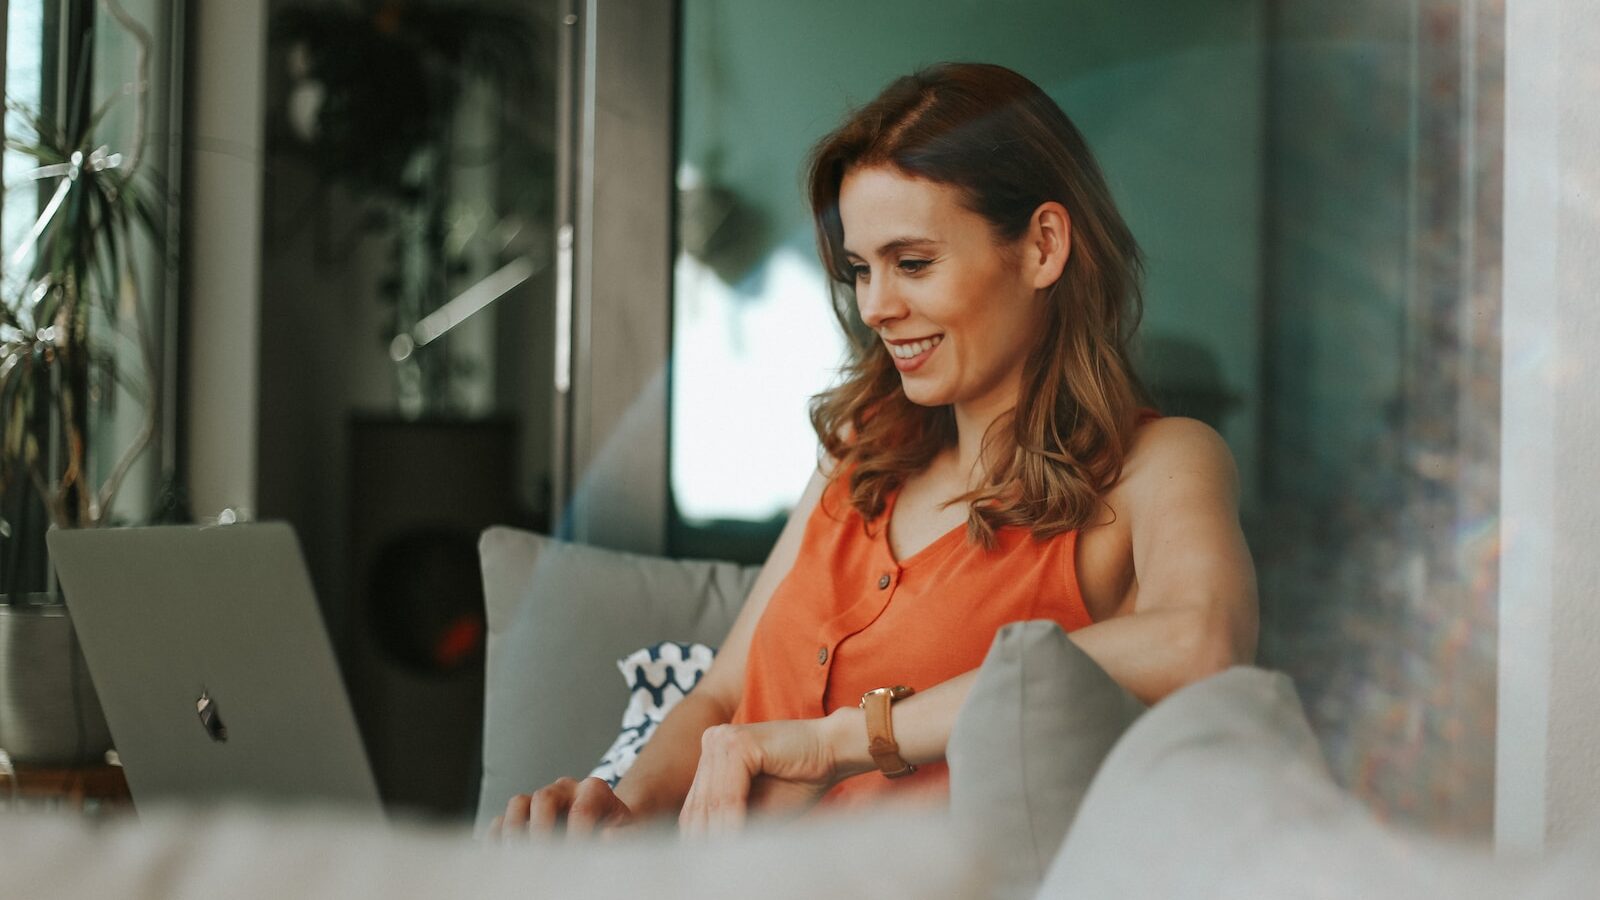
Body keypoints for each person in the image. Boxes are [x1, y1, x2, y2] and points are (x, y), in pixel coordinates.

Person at [491, 61, 1258, 841]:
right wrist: (616, 812)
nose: (877, 307)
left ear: (1043, 247)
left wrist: (840, 743)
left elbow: (1202, 642)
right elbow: (724, 696)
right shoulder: (861, 453)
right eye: (861, 269)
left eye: (913, 262)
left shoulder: (1158, 466)